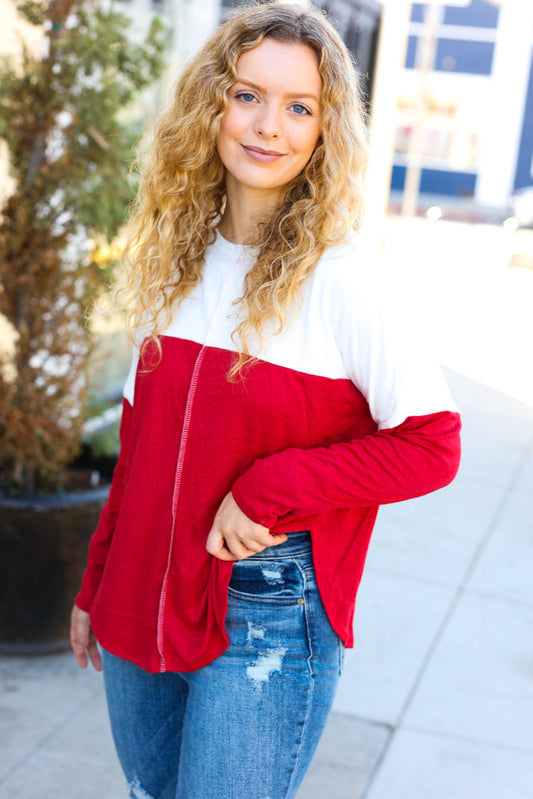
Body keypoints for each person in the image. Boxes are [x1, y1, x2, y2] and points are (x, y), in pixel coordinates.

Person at [70, 4, 461, 798]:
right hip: (140, 581)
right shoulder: (172, 260)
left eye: (298, 107)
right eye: (246, 95)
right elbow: (138, 448)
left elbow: (432, 444)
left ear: (324, 130)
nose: (267, 127)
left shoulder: (346, 276)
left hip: (266, 611)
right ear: (210, 103)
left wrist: (270, 489)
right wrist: (94, 580)